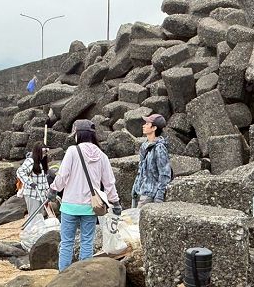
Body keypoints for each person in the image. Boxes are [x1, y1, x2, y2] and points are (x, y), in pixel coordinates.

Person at [47, 120, 121, 271]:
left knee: (67, 242)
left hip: (69, 206)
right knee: (87, 241)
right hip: (91, 207)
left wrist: (53, 190)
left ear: (78, 134)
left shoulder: (72, 151)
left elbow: (62, 175)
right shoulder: (102, 155)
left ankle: (63, 275)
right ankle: (84, 274)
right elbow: (109, 183)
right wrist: (115, 202)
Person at [131, 113, 172, 208]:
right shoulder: (144, 146)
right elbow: (141, 170)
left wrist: (159, 196)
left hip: (150, 194)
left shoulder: (159, 148)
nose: (143, 126)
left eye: (147, 124)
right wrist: (135, 188)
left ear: (154, 128)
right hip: (141, 192)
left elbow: (165, 174)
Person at [17, 142, 50, 217]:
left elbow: (44, 180)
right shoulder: (30, 161)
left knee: (40, 216)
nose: (45, 155)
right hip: (32, 194)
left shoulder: (42, 163)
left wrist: (48, 191)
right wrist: (30, 183)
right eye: (43, 153)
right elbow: (20, 171)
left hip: (41, 195)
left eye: (45, 153)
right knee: (34, 216)